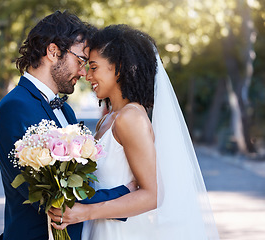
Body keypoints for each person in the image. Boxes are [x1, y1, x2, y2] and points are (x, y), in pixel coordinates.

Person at [48, 25, 220, 239]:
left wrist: (86, 212)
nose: (87, 75)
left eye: (94, 67)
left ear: (118, 68)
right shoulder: (107, 120)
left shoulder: (131, 118)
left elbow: (153, 195)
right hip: (97, 229)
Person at [0, 12, 132, 240]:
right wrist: (126, 193)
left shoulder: (65, 110)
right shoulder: (15, 107)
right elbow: (49, 196)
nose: (83, 72)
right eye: (80, 61)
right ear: (53, 51)